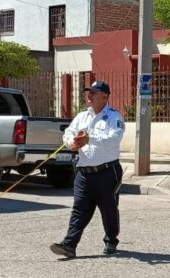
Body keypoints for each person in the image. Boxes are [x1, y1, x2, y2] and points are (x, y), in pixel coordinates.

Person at [51, 80, 126, 260]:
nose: (89, 96)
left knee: (108, 208)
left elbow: (113, 141)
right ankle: (69, 245)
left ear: (105, 97)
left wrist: (89, 139)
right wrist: (72, 143)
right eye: (89, 92)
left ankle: (111, 241)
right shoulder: (82, 116)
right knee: (79, 209)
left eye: (94, 93)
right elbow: (68, 133)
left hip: (107, 171)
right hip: (84, 172)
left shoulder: (114, 117)